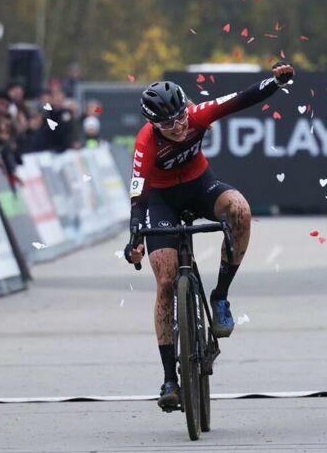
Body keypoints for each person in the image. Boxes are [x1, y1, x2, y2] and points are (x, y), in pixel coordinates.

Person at [125, 64, 295, 413]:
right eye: (169, 123)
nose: (180, 125)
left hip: (200, 185)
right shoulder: (146, 141)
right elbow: (139, 193)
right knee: (166, 281)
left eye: (181, 116)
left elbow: (241, 100)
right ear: (154, 125)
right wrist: (135, 237)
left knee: (240, 212)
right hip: (161, 202)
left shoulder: (195, 115)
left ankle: (220, 297)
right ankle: (169, 378)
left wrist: (274, 83)